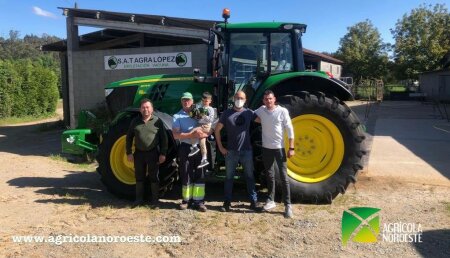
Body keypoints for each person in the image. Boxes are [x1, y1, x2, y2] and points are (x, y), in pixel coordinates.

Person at [215, 91, 259, 212]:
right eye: (237, 97)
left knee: (249, 176)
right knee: (229, 177)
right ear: (233, 99)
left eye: (242, 98)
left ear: (245, 100)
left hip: (246, 151)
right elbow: (217, 130)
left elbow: (264, 119)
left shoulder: (249, 113)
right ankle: (227, 202)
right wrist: (220, 147)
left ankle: (253, 201)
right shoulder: (226, 113)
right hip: (231, 151)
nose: (239, 100)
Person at [254, 90, 295, 218]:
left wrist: (291, 148)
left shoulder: (282, 111)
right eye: (266, 99)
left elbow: (290, 129)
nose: (268, 101)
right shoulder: (261, 110)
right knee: (270, 175)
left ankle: (288, 205)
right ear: (263, 101)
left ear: (274, 99)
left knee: (283, 176)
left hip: (279, 149)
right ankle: (270, 200)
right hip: (266, 149)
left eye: (270, 99)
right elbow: (250, 115)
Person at [126, 98, 168, 208]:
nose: (145, 109)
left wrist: (163, 153)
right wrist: (129, 152)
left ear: (152, 109)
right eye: (143, 107)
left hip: (153, 153)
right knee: (139, 177)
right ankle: (139, 200)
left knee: (154, 177)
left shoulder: (157, 121)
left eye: (147, 107)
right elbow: (129, 138)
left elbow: (164, 139)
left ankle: (155, 202)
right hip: (139, 154)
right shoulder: (135, 122)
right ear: (140, 109)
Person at [172, 92, 209, 212]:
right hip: (186, 147)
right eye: (184, 100)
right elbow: (176, 135)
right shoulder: (177, 116)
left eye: (188, 100)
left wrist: (205, 132)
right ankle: (186, 200)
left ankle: (199, 201)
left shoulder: (198, 113)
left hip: (200, 147)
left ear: (192, 101)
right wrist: (191, 134)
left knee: (200, 173)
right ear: (181, 102)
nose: (186, 102)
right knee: (185, 173)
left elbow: (207, 125)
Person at [187, 92, 215, 169]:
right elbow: (195, 117)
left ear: (210, 101)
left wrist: (204, 115)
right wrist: (194, 113)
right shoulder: (200, 107)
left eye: (206, 101)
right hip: (200, 125)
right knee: (202, 142)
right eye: (203, 101)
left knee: (192, 132)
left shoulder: (210, 109)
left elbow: (211, 119)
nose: (204, 103)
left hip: (206, 126)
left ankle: (194, 146)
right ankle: (204, 159)